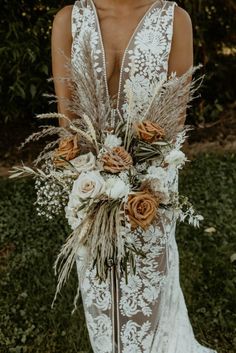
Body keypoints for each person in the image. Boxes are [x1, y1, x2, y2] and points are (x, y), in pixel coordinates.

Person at [51, 1, 217, 352]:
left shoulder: (175, 21)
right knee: (99, 293)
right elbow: (68, 126)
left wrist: (137, 182)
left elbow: (171, 125)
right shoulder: (68, 20)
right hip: (89, 187)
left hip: (151, 188)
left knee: (150, 297)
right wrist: (92, 179)